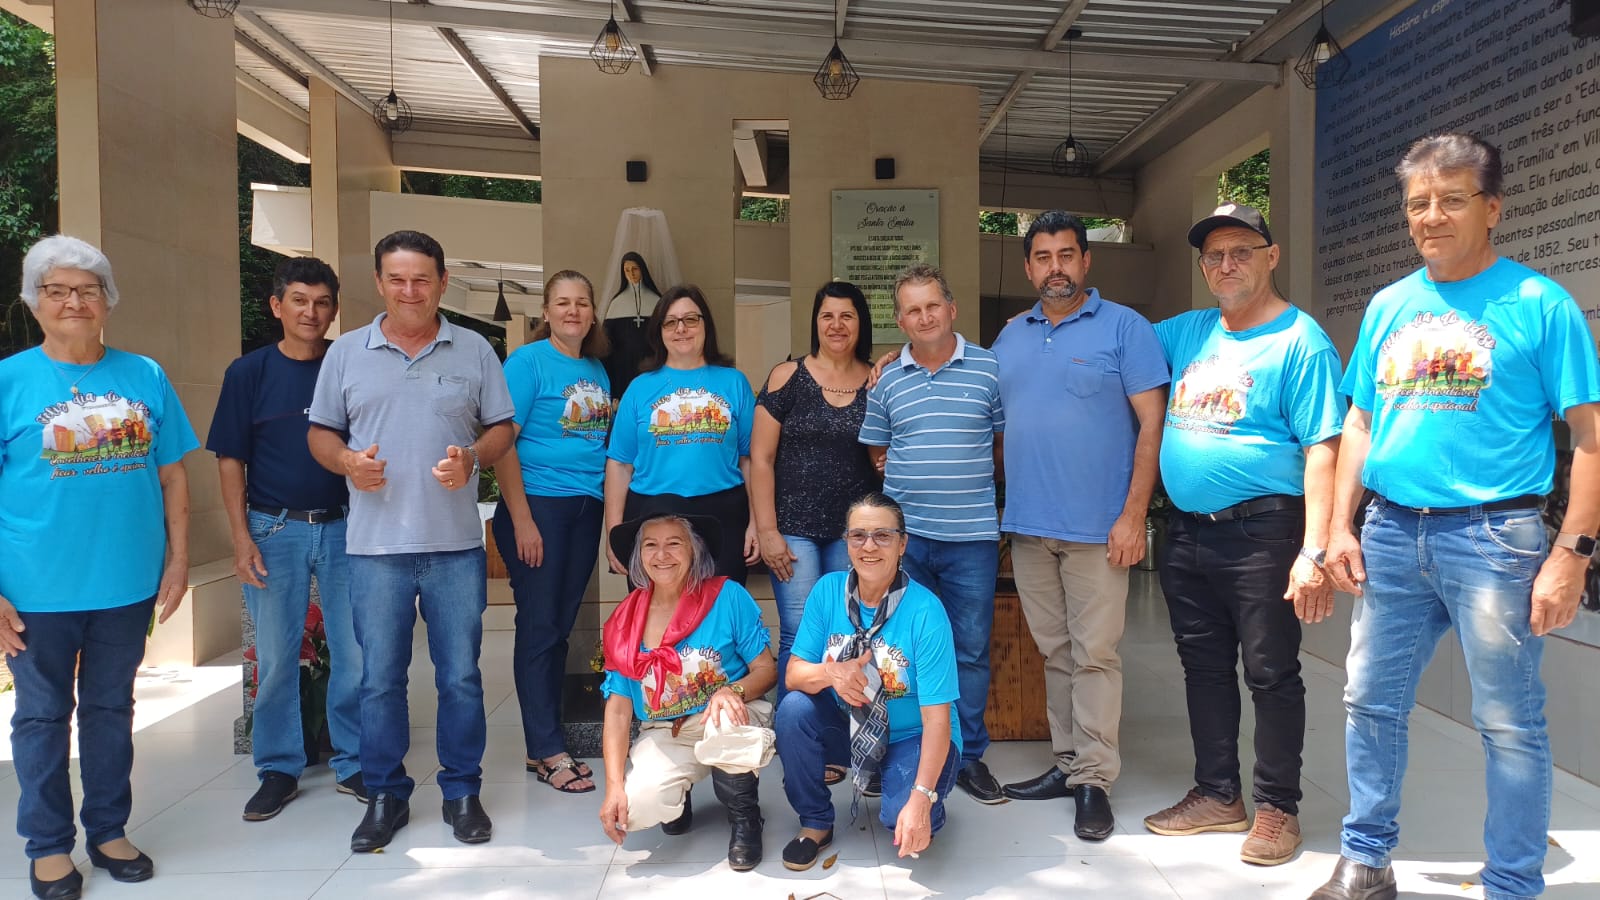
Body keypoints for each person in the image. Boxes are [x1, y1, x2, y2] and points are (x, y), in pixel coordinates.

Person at [1310, 133, 1600, 900]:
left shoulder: (1540, 305)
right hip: (1391, 531)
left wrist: (1572, 553)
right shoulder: (1389, 305)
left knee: (1507, 720)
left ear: (1492, 208)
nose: (1430, 217)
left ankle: (1512, 884)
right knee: (1369, 700)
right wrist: (1339, 526)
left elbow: (1590, 436)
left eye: (1450, 200)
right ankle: (1365, 863)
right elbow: (1360, 422)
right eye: (1417, 204)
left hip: (1495, 538)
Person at [1141, 204, 1344, 868]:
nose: (1226, 265)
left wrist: (1314, 549)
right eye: (1214, 256)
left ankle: (1278, 808)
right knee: (1202, 668)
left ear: (1271, 256)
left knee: (1270, 672)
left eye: (1241, 252)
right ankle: (1218, 794)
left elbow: (1324, 449)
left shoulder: (1301, 341)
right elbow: (1116, 344)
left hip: (1264, 531)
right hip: (1188, 533)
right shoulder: (1188, 330)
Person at [0, 235, 199, 899]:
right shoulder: (9, 380)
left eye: (88, 290)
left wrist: (178, 558)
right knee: (41, 716)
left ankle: (109, 830)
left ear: (108, 301)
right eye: (57, 290)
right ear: (34, 302)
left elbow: (172, 475)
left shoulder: (144, 375)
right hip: (35, 586)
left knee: (111, 708)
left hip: (126, 582)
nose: (74, 302)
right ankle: (48, 845)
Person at [307, 230, 516, 853]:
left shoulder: (474, 349)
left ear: (443, 282)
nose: (409, 290)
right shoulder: (346, 353)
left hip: (454, 546)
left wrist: (472, 457)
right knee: (378, 680)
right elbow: (320, 434)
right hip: (375, 550)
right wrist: (347, 462)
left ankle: (462, 791)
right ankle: (385, 795)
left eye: (422, 278)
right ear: (379, 283)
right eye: (396, 279)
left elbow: (503, 428)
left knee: (461, 677)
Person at [991, 212, 1169, 841]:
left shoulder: (1125, 327)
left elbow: (1152, 424)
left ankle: (1094, 779)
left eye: (1066, 255)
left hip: (1100, 528)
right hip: (1029, 525)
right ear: (1028, 267)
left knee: (1095, 654)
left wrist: (1134, 516)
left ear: (1086, 261)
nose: (1055, 268)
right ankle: (1067, 764)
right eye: (1043, 257)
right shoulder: (1010, 337)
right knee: (1056, 652)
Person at [209, 256, 365, 822]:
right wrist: (240, 537)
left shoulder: (349, 365)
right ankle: (277, 767)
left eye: (322, 302)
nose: (311, 312)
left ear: (335, 309)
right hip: (273, 527)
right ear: (277, 306)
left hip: (348, 526)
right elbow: (231, 459)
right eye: (299, 300)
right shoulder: (247, 373)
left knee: (356, 651)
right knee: (275, 657)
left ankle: (354, 761)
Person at [858, 263, 1007, 805]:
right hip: (907, 542)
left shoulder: (990, 368)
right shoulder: (887, 380)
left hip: (972, 537)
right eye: (912, 310)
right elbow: (877, 450)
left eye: (932, 306)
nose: (924, 317)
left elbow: (1000, 445)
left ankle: (966, 757)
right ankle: (904, 746)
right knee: (899, 649)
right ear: (900, 321)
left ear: (952, 309)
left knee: (969, 649)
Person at [774, 493, 961, 870]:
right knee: (793, 710)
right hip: (847, 725)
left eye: (882, 536)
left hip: (913, 734)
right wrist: (831, 672)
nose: (869, 546)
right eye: (858, 535)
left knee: (900, 818)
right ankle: (815, 822)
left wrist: (921, 798)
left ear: (902, 544)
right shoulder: (828, 591)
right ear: (846, 542)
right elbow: (793, 675)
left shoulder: (925, 610)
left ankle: (918, 793)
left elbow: (937, 720)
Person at [597, 514, 777, 871]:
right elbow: (618, 711)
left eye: (674, 543)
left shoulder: (726, 596)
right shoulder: (623, 620)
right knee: (636, 808)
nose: (662, 554)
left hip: (726, 716)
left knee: (725, 720)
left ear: (694, 551)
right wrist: (614, 786)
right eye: (651, 545)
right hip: (665, 730)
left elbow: (767, 670)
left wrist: (731, 690)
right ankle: (678, 793)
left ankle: (745, 818)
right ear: (639, 556)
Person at [489, 269, 611, 793]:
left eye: (582, 302)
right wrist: (522, 520)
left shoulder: (596, 369)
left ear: (592, 312)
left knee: (559, 628)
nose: (573, 311)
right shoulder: (526, 363)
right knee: (540, 628)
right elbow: (501, 443)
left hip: (584, 508)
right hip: (539, 507)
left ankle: (544, 741)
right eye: (562, 303)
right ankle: (546, 749)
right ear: (546, 312)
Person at [750, 281, 878, 702]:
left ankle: (839, 730)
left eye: (847, 316)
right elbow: (761, 458)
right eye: (828, 316)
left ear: (861, 323)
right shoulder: (787, 376)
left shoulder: (876, 381)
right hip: (793, 532)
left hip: (853, 535)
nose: (836, 325)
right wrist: (767, 531)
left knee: (846, 634)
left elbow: (882, 457)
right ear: (816, 323)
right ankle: (797, 730)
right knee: (798, 633)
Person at [604, 285, 758, 583]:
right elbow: (620, 464)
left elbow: (750, 460)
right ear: (658, 331)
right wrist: (614, 533)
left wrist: (757, 523)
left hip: (723, 513)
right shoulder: (639, 387)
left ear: (705, 325)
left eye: (690, 319)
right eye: (671, 322)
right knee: (656, 608)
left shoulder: (734, 382)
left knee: (719, 606)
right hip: (651, 513)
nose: (681, 329)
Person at [601, 251, 663, 398]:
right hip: (622, 368)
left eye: (635, 269)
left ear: (642, 269)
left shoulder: (657, 300)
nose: (632, 274)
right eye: (627, 270)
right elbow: (606, 343)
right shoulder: (617, 303)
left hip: (651, 365)